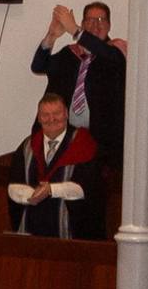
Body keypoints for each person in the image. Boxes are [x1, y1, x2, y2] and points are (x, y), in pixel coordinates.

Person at [31, 1, 127, 165]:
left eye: (101, 20)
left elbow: (109, 56)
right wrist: (51, 36)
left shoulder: (115, 52)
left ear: (109, 26)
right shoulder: (70, 54)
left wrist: (75, 30)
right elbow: (38, 66)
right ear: (83, 23)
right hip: (65, 138)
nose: (95, 25)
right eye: (89, 20)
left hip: (103, 145)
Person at [9, 94, 104, 239]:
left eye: (57, 114)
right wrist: (32, 195)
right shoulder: (27, 147)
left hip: (72, 240)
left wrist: (51, 190)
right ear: (39, 118)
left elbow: (87, 188)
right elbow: (13, 187)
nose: (51, 119)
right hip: (31, 236)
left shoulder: (84, 144)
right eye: (45, 115)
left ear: (66, 114)